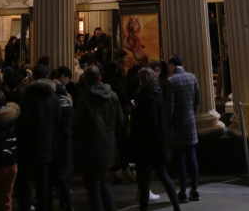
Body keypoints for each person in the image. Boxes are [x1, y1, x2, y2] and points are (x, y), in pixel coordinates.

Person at [72, 65, 123, 211]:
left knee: (93, 186)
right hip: (108, 144)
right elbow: (120, 120)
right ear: (100, 78)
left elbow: (78, 125)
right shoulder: (112, 95)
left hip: (90, 146)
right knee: (103, 182)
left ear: (85, 80)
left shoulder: (85, 98)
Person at [131, 68, 181, 211]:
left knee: (144, 181)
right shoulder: (157, 92)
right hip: (159, 144)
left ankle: (143, 209)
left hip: (146, 146)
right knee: (163, 176)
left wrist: (136, 109)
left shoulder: (145, 96)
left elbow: (148, 121)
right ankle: (176, 207)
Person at [17, 64, 60, 211]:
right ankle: (45, 206)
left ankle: (28, 204)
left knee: (24, 177)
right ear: (47, 77)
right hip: (48, 143)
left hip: (29, 143)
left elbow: (23, 122)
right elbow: (58, 121)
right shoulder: (53, 97)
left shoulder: (27, 96)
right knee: (44, 179)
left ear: (33, 77)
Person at [166, 55, 201, 204]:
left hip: (177, 124)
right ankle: (195, 190)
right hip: (190, 123)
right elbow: (197, 99)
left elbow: (170, 106)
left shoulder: (170, 81)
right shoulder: (192, 77)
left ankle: (183, 192)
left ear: (172, 65)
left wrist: (169, 123)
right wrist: (190, 112)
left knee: (180, 159)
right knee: (192, 157)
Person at [50, 75, 74, 211]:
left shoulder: (56, 109)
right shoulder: (69, 107)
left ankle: (66, 203)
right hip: (67, 143)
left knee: (59, 176)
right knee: (64, 176)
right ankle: (67, 203)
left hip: (57, 143)